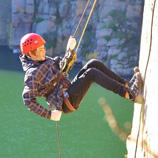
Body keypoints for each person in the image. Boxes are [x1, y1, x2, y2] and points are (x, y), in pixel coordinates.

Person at [19, 33, 142, 122]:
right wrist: (49, 114)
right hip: (64, 101)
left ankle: (128, 86)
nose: (44, 52)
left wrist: (70, 51)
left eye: (43, 48)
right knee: (91, 73)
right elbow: (28, 100)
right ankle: (130, 95)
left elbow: (64, 67)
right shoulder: (32, 74)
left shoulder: (45, 60)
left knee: (94, 63)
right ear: (31, 54)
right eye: (40, 50)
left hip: (68, 90)